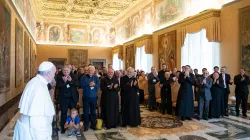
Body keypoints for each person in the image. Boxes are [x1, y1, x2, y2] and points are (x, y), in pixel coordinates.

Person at [13, 61, 56, 140]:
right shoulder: (39, 87)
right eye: (54, 73)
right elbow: (37, 121)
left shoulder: (35, 81)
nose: (54, 75)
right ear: (49, 73)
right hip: (32, 133)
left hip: (27, 129)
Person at [57, 66, 79, 134]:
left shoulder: (74, 76)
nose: (66, 72)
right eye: (64, 71)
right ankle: (64, 128)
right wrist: (64, 82)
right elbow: (58, 86)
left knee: (73, 114)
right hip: (64, 99)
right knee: (64, 113)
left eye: (67, 71)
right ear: (62, 71)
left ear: (70, 71)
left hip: (72, 98)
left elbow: (78, 84)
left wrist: (71, 81)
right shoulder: (59, 77)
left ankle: (74, 127)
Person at [80, 66, 100, 131]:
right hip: (86, 97)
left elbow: (98, 86)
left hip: (94, 97)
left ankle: (93, 125)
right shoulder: (83, 77)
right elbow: (81, 85)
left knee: (93, 112)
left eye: (91, 70)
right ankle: (86, 125)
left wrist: (94, 85)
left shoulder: (96, 78)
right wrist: (89, 84)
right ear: (87, 71)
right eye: (89, 70)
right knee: (85, 112)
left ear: (94, 71)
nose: (90, 71)